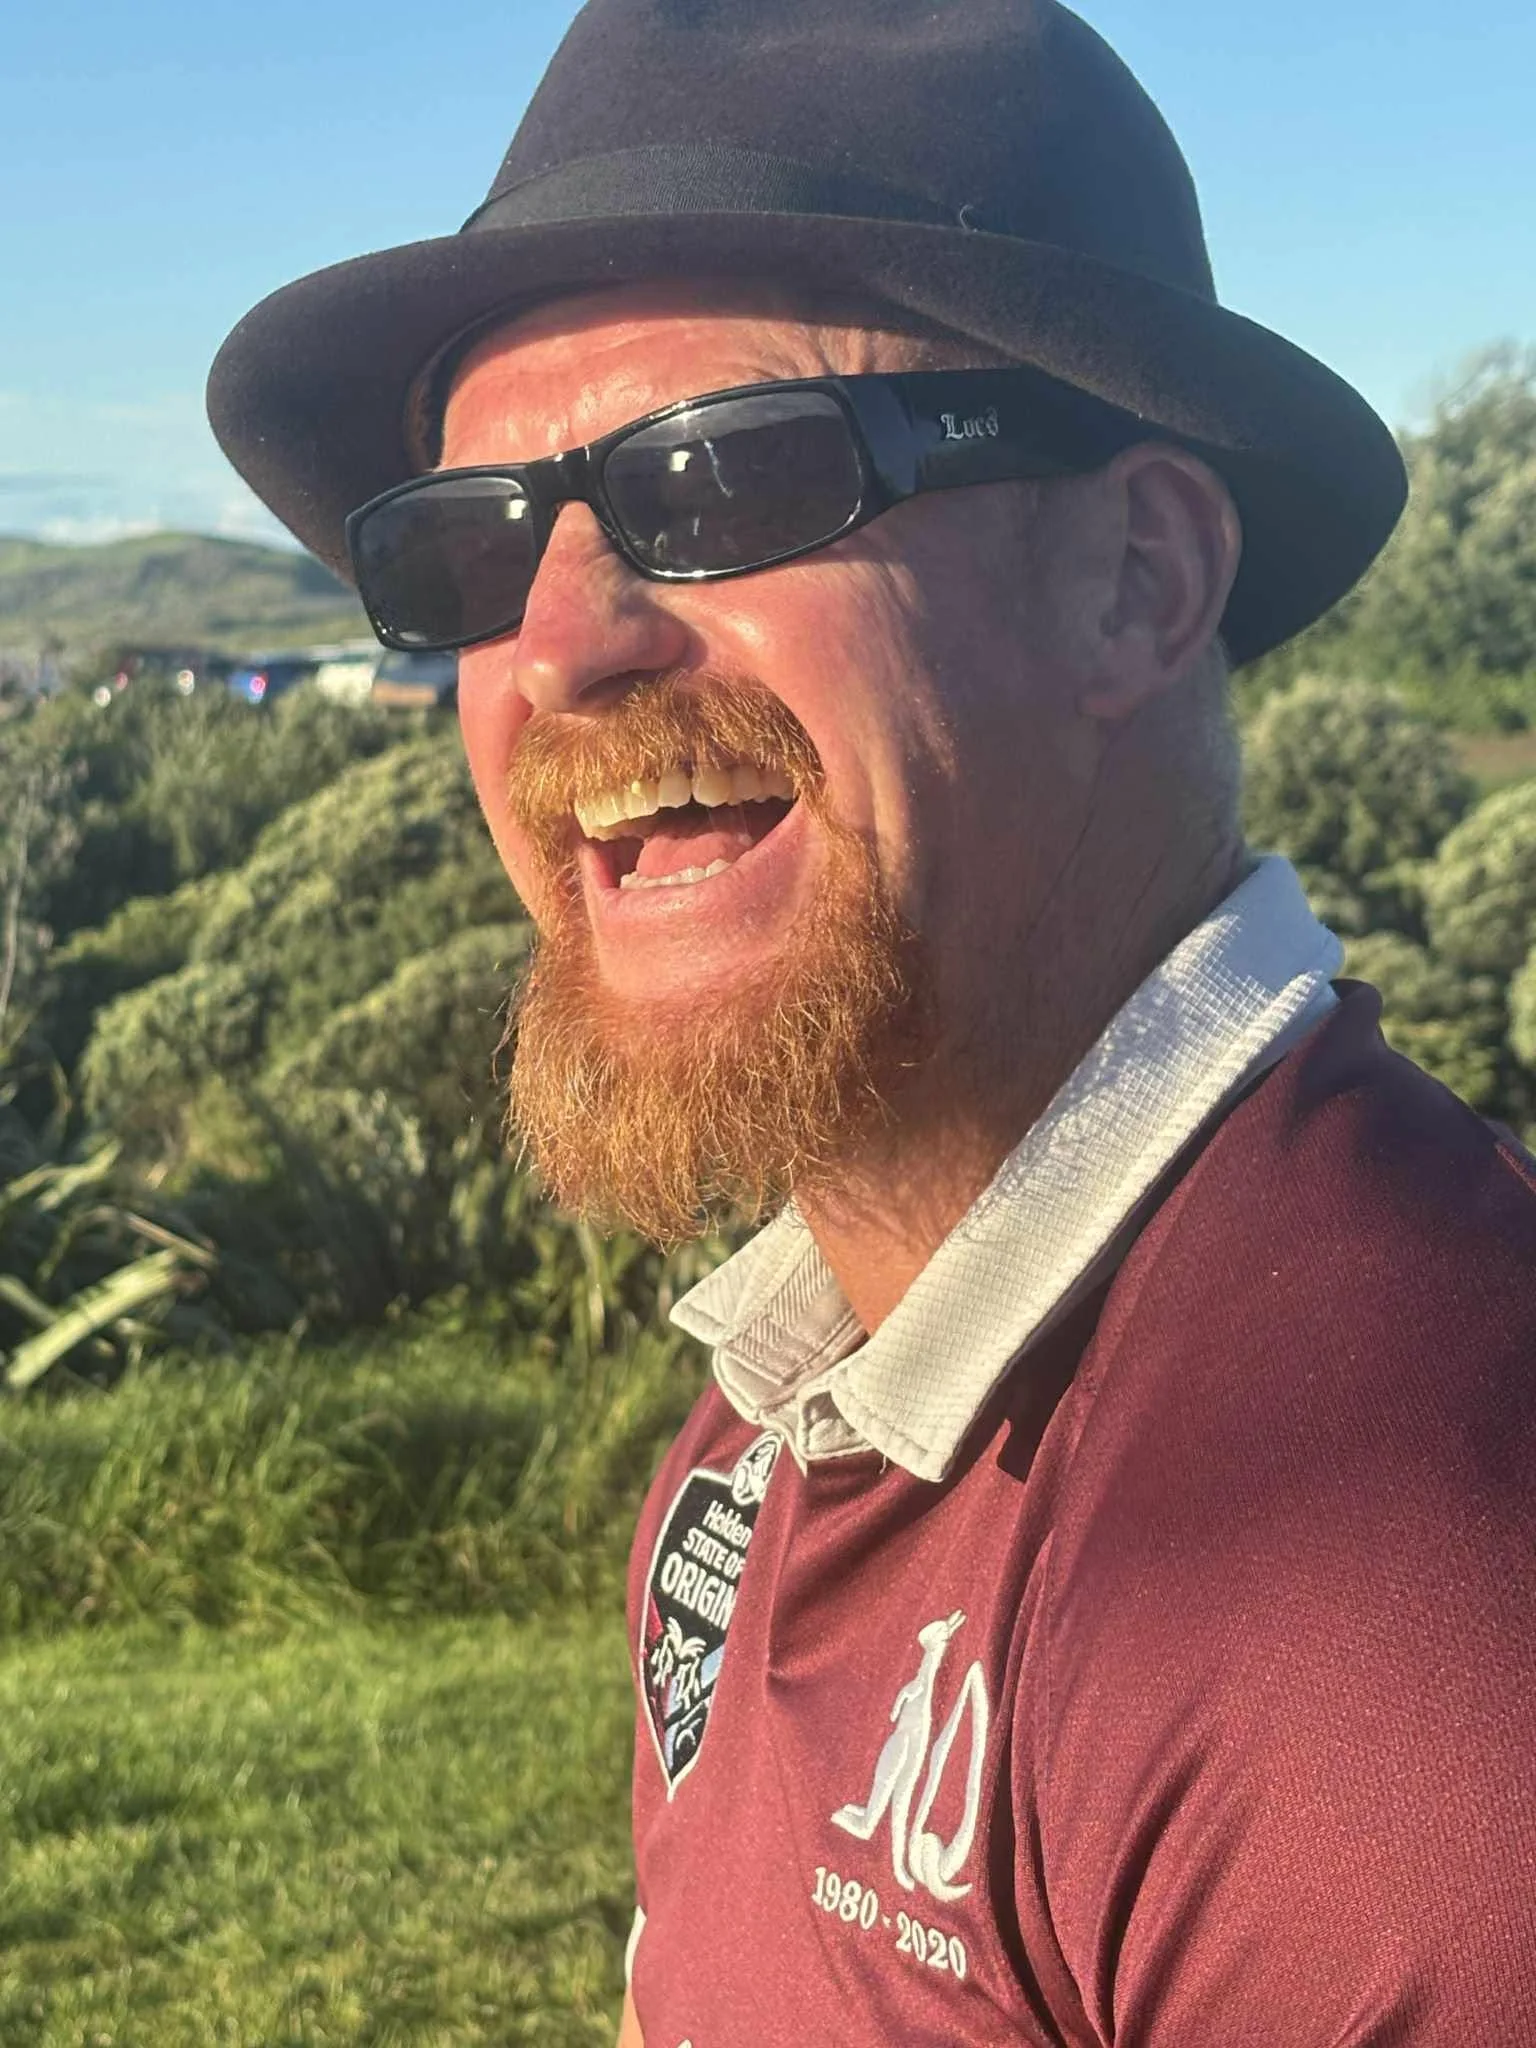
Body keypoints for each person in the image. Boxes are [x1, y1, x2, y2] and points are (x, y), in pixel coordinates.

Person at [208, 2, 1536, 2041]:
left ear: (1135, 578)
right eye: (474, 541)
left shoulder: (1402, 1624)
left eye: (724, 479)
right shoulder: (783, 1406)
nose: (555, 649)